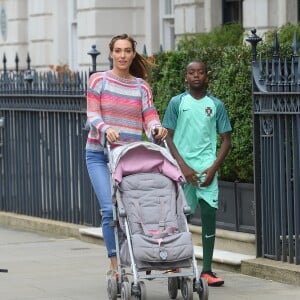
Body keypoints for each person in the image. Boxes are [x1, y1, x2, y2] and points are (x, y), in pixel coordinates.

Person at [85, 34, 168, 275]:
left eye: (127, 51)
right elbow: (92, 114)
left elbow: (149, 116)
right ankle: (115, 264)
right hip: (99, 155)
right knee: (110, 210)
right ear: (111, 53)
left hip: (129, 159)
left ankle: (138, 255)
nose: (122, 55)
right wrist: (105, 128)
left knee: (133, 210)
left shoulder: (142, 86)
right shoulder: (98, 80)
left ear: (133, 54)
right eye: (118, 51)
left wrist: (156, 129)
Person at [162, 60, 232, 286]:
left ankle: (208, 271)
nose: (196, 76)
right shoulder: (177, 102)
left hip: (206, 171)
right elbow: (167, 136)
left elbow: (226, 140)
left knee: (210, 216)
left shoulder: (216, 105)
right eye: (191, 72)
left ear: (206, 76)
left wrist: (212, 169)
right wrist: (182, 165)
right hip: (182, 170)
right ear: (186, 76)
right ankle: (176, 264)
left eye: (200, 72)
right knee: (181, 217)